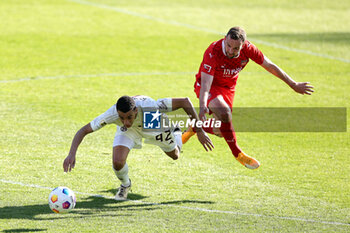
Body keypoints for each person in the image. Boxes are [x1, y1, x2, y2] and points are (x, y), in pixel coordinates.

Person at [182, 26, 314, 169]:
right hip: (207, 86)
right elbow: (206, 83)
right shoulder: (213, 51)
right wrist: (202, 108)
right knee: (224, 113)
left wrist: (293, 84)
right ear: (225, 39)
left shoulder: (249, 49)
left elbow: (270, 65)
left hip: (228, 88)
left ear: (243, 45)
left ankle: (194, 127)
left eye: (236, 48)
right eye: (229, 46)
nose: (231, 51)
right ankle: (238, 154)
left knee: (221, 130)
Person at [63, 95, 213, 200]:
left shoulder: (150, 107)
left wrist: (199, 130)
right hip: (130, 132)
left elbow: (185, 102)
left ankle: (178, 131)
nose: (125, 121)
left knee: (175, 155)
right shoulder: (113, 115)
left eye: (128, 117)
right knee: (117, 162)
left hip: (155, 125)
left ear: (135, 110)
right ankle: (125, 185)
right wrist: (71, 154)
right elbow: (83, 130)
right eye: (121, 117)